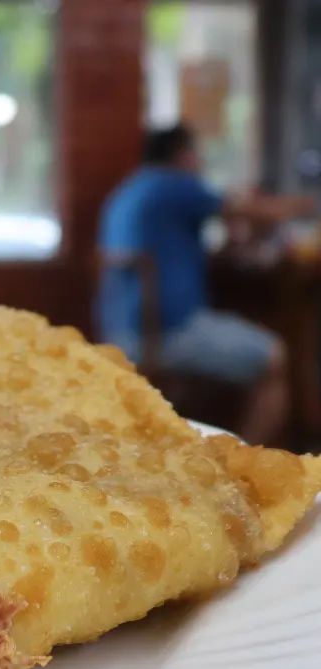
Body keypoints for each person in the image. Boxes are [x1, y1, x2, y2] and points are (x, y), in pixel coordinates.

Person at [97, 123, 315, 445]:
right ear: (183, 155)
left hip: (121, 332)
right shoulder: (176, 185)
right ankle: (245, 466)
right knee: (274, 357)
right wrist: (306, 204)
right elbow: (260, 213)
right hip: (167, 333)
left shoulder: (128, 190)